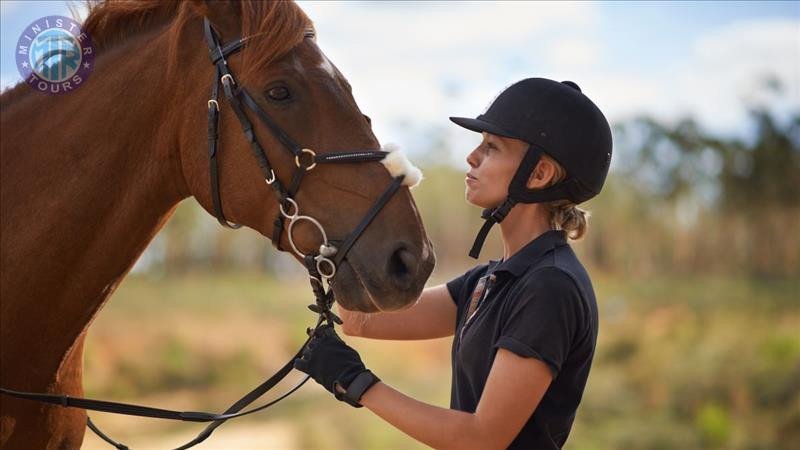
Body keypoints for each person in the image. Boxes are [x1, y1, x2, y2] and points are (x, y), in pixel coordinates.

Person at [294, 77, 612, 449]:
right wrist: (336, 221)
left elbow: (482, 438)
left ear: (539, 174)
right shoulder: (490, 281)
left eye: (492, 148)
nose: (472, 157)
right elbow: (361, 320)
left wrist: (359, 384)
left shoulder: (550, 285)